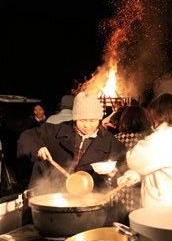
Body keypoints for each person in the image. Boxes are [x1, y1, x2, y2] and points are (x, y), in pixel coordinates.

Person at [17, 91, 128, 225]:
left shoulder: (111, 143)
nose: (87, 125)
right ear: (75, 117)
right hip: (50, 201)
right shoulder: (57, 130)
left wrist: (114, 175)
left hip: (87, 208)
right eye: (82, 120)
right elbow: (27, 137)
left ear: (100, 118)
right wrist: (37, 147)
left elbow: (123, 169)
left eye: (93, 120)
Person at [117, 93, 172, 208]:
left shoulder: (163, 138)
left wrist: (133, 170)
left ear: (157, 114)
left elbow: (134, 160)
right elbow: (162, 166)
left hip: (169, 209)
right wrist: (136, 175)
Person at [114, 105, 152, 223]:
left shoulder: (115, 139)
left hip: (120, 186)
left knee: (122, 223)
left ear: (124, 121)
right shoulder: (148, 140)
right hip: (141, 187)